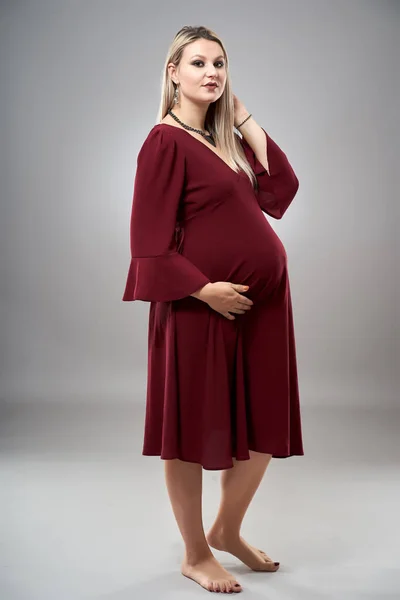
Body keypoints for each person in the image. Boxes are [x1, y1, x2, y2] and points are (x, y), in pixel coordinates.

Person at [122, 25, 304, 594]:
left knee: (265, 420)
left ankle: (227, 529)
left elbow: (282, 189)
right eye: (198, 62)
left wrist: (245, 121)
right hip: (201, 307)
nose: (211, 73)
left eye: (220, 64)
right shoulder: (163, 142)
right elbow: (147, 242)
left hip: (261, 309)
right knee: (189, 428)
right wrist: (204, 291)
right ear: (173, 72)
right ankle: (195, 552)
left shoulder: (223, 143)